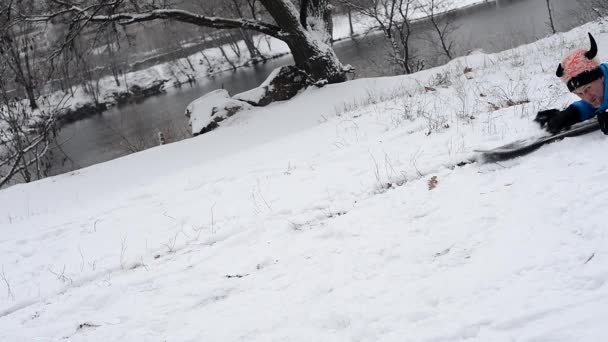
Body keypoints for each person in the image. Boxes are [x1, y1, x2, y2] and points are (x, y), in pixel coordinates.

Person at [534, 33, 608, 134]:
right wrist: (570, 114)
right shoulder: (600, 91)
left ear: (601, 77)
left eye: (588, 88)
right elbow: (590, 106)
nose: (588, 98)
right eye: (580, 93)